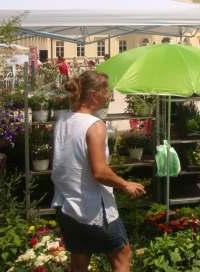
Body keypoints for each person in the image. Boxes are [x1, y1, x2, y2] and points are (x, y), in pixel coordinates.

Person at [52, 71, 145, 272]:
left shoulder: (64, 120)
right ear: (94, 94)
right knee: (121, 254)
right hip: (92, 207)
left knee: (79, 259)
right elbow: (100, 172)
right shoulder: (95, 125)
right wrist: (125, 184)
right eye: (106, 91)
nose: (109, 95)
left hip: (66, 203)